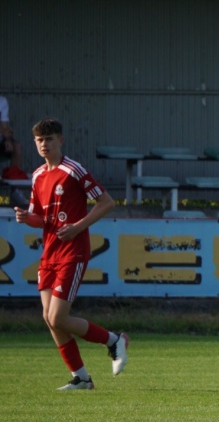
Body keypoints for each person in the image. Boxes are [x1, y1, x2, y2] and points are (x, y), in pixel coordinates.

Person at [15, 118, 126, 390]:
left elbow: (106, 202)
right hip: (50, 253)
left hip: (72, 251)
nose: (45, 144)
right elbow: (41, 218)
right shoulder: (38, 175)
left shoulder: (73, 170)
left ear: (60, 141)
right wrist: (27, 218)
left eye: (50, 139)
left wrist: (77, 227)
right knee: (49, 318)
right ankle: (82, 379)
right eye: (40, 140)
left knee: (58, 317)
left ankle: (114, 340)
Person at [0, 94, 27, 180]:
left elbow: (5, 128)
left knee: (16, 147)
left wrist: (7, 139)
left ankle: (14, 186)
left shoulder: (2, 101)